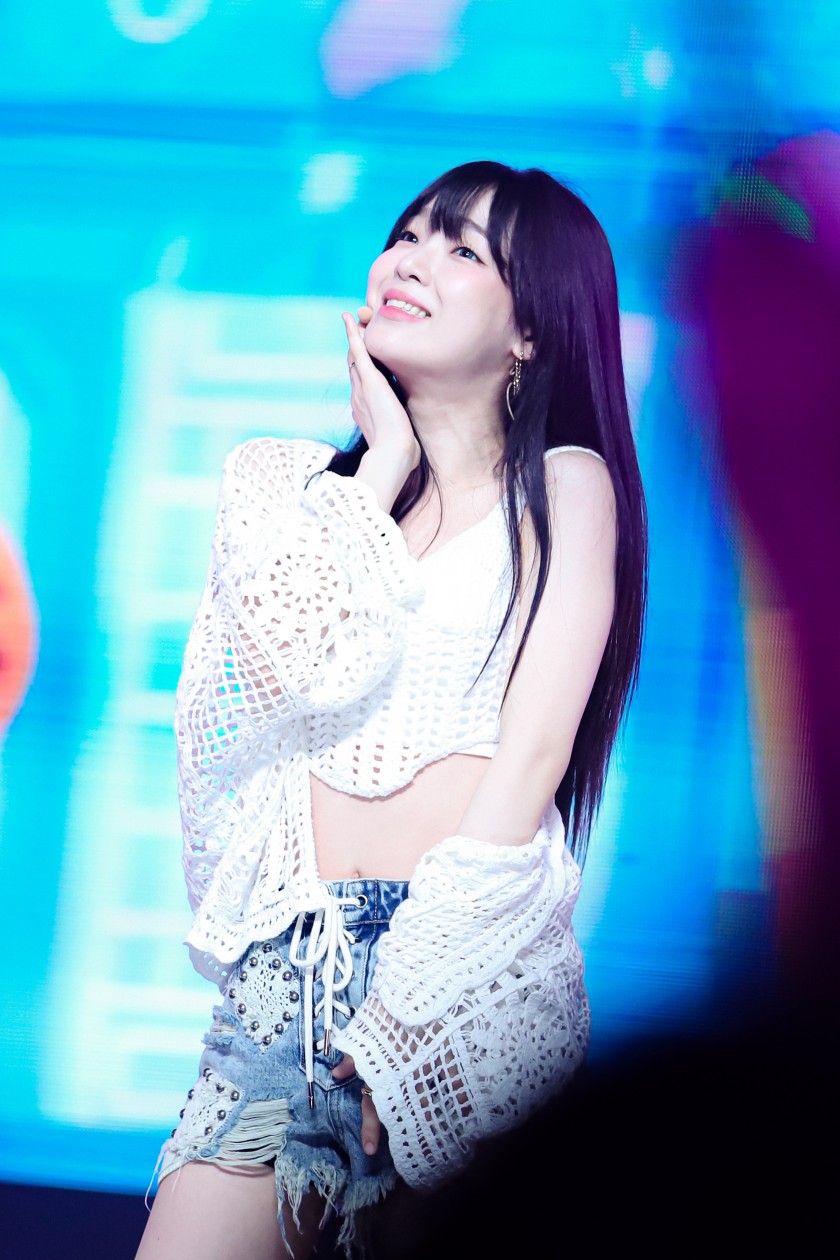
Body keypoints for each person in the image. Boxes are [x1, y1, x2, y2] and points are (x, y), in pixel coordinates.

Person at [135, 159, 647, 1260]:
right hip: (284, 982)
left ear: (530, 331)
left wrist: (406, 1012)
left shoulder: (566, 492)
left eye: (461, 249)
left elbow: (532, 759)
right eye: (407, 235)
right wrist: (384, 466)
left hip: (463, 989)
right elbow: (253, 688)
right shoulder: (288, 489)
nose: (411, 259)